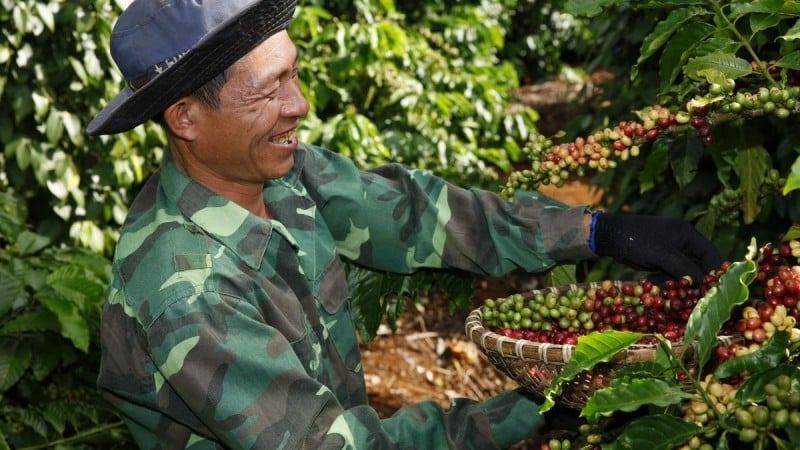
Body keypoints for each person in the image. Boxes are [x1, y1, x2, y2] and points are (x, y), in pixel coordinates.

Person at [87, 0, 722, 448]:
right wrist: (530, 417)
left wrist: (594, 233)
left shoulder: (281, 173)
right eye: (268, 89)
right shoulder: (187, 293)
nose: (299, 105)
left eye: (295, 73)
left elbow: (418, 215)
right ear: (186, 118)